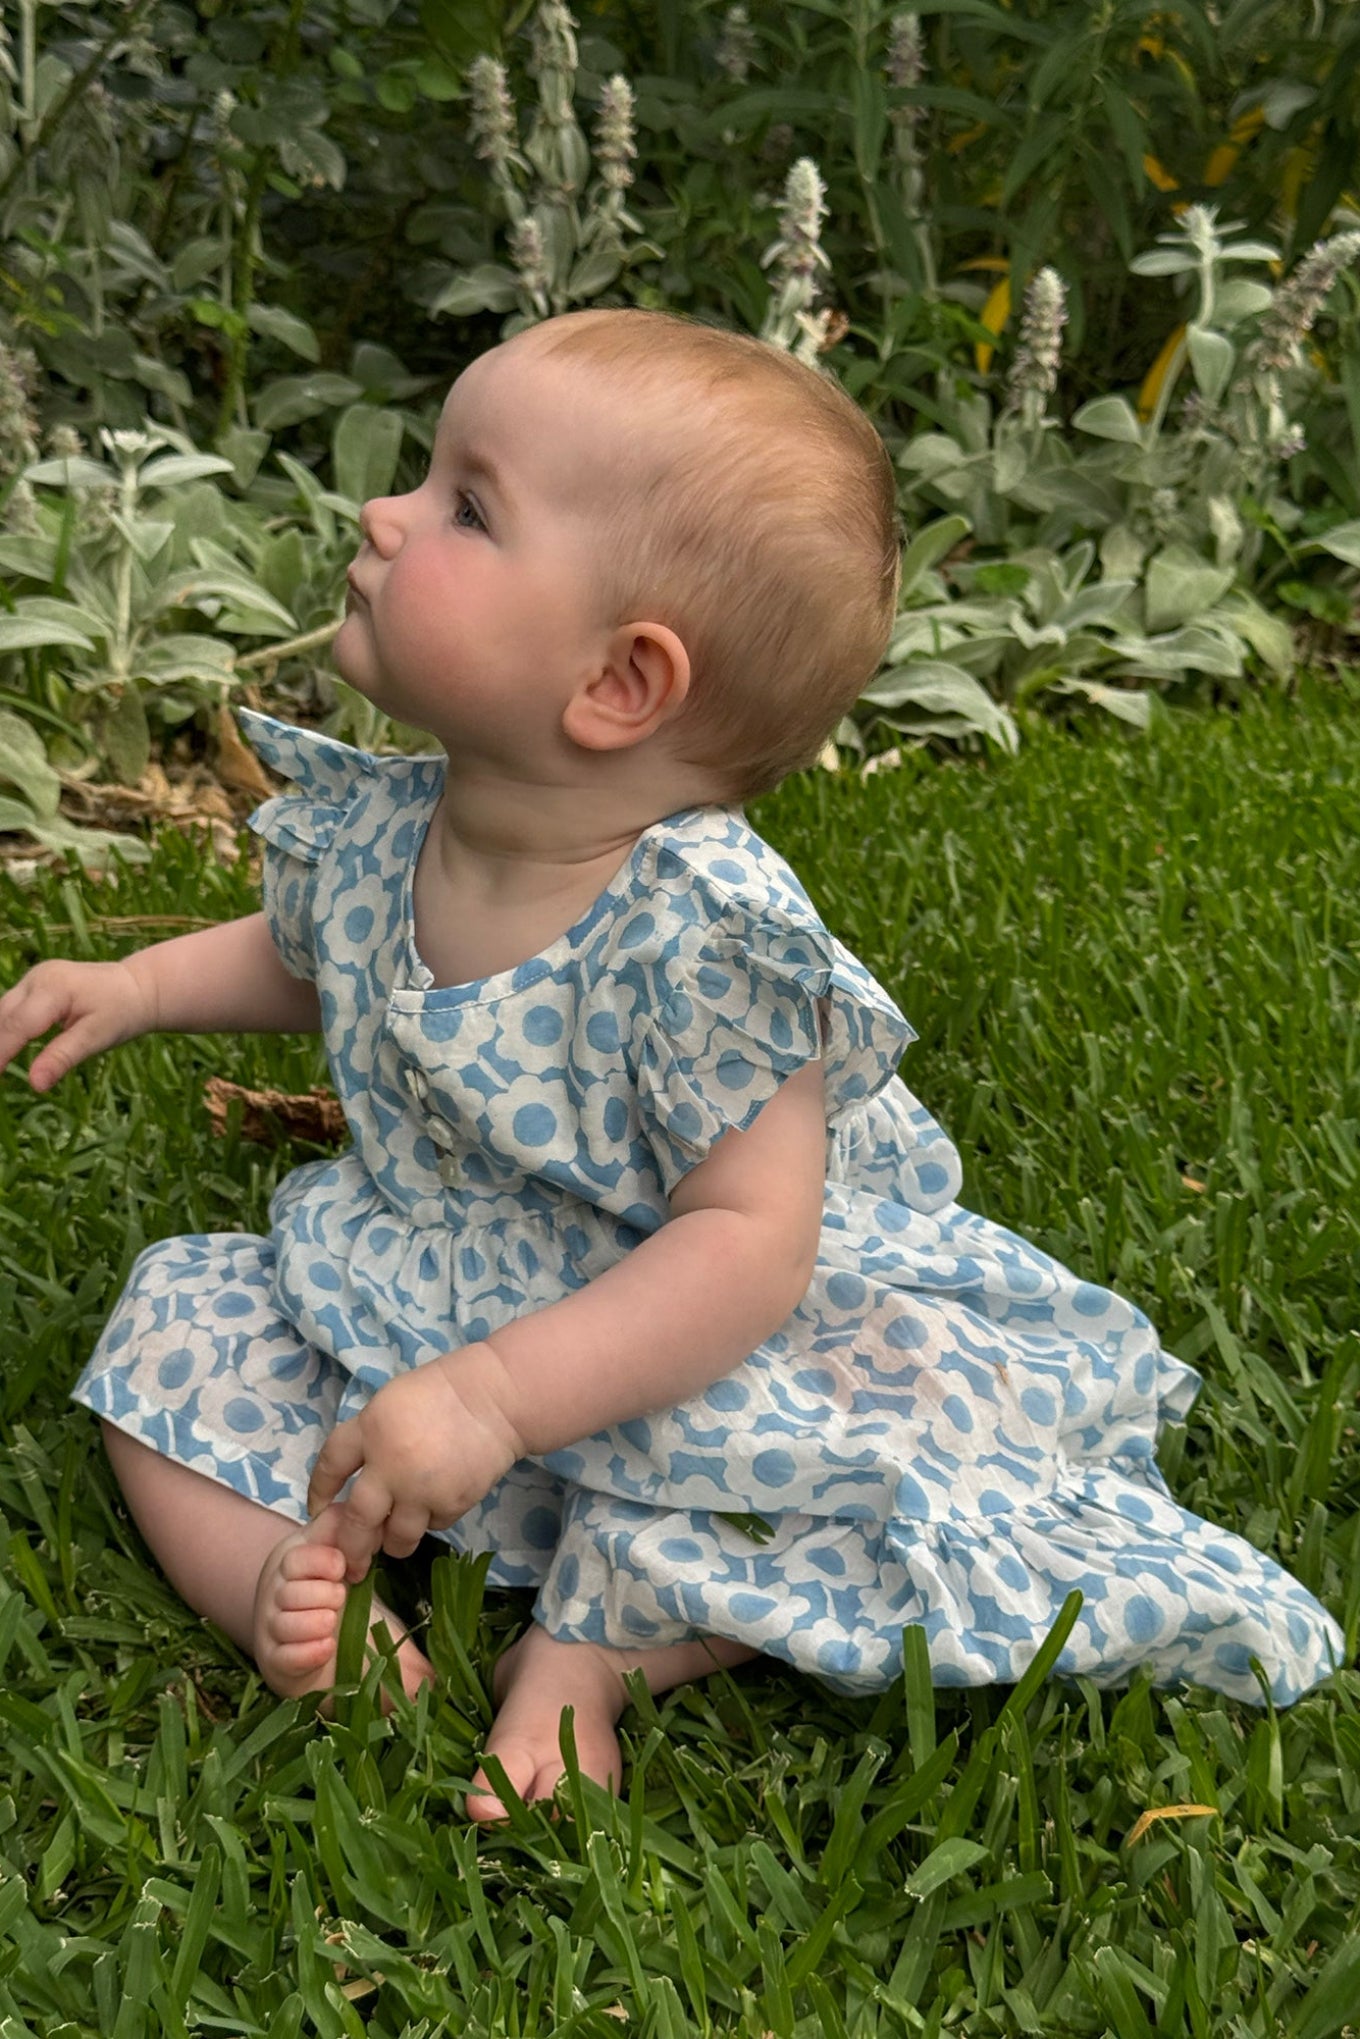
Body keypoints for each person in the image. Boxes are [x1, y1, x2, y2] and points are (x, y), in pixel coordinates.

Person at [0, 309, 1341, 1820]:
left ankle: (593, 1663)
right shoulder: (398, 821)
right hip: (421, 1274)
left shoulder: (702, 933)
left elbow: (745, 1250)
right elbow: (320, 954)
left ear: (620, 685)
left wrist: (501, 1399)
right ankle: (295, 1602)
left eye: (463, 504)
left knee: (760, 1473)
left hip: (668, 1316)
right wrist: (140, 983)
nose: (381, 515)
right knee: (167, 1330)